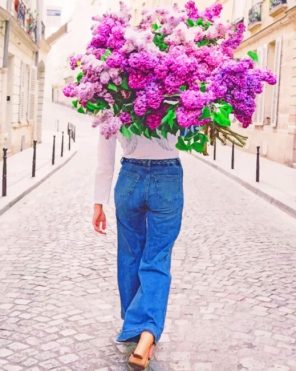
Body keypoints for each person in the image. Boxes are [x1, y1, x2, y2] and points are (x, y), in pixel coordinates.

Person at [92, 128, 184, 369]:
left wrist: (98, 202)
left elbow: (105, 157)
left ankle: (134, 327)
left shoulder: (107, 96)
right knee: (157, 257)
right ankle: (147, 332)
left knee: (130, 254)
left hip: (130, 176)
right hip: (168, 177)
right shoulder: (182, 90)